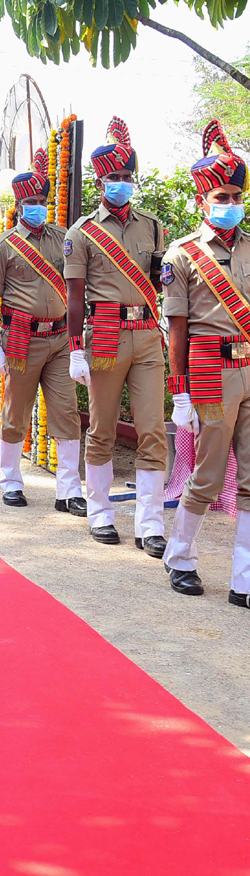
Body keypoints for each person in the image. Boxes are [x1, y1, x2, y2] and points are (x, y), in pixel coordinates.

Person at [64, 117, 168, 551]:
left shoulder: (153, 225)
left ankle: (150, 524)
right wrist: (75, 350)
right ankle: (100, 513)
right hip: (103, 331)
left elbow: (159, 282)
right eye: (114, 177)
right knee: (103, 429)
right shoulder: (81, 232)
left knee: (152, 430)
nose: (121, 184)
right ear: (100, 180)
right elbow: (73, 298)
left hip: (146, 334)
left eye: (127, 177)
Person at [162, 119, 250, 600]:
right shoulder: (183, 255)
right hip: (210, 374)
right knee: (210, 472)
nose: (231, 205)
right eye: (222, 197)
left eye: (236, 196)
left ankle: (244, 579)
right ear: (203, 200)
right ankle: (180, 558)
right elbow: (175, 331)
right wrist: (180, 392)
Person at [0, 150, 84, 512]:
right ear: (19, 203)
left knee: (67, 413)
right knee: (15, 413)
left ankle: (69, 490)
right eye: (31, 201)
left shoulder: (64, 239)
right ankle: (10, 481)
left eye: (42, 201)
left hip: (58, 339)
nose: (37, 207)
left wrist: (77, 345)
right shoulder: (4, 245)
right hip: (21, 339)